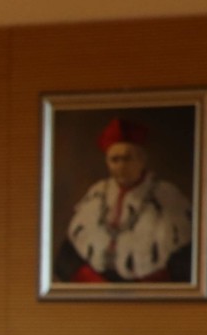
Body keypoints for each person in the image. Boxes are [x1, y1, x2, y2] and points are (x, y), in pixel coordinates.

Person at [58, 117, 193, 282]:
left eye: (127, 158)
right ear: (107, 162)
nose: (121, 166)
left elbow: (186, 261)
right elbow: (66, 258)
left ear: (142, 160)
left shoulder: (166, 195)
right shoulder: (96, 193)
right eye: (115, 160)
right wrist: (95, 284)